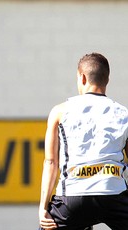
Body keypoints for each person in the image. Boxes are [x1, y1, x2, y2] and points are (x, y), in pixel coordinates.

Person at [38, 53, 128, 230]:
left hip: (72, 198)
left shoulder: (59, 112)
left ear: (82, 77)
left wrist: (43, 207)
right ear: (107, 80)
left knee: (47, 225)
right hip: (113, 194)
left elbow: (51, 162)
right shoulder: (124, 114)